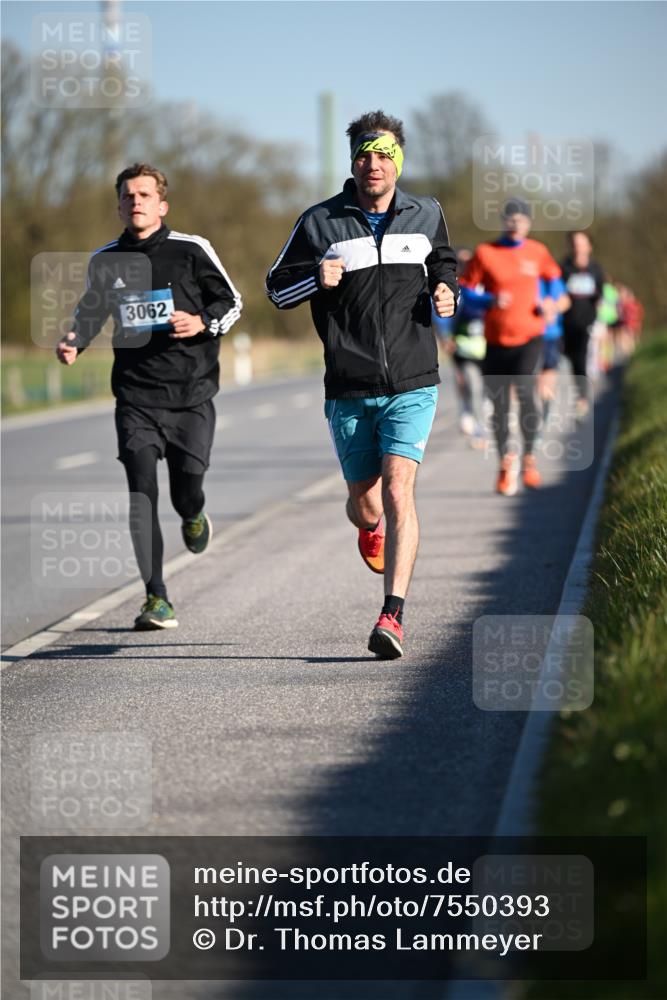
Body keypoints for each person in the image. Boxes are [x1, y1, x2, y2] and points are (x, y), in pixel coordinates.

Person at [265, 111, 457, 659]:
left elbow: (445, 262)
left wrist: (447, 291)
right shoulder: (319, 222)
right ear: (352, 161)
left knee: (399, 490)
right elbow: (276, 289)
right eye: (364, 154)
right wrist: (314, 278)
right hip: (348, 384)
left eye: (384, 154)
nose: (373, 164)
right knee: (367, 503)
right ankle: (367, 528)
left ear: (399, 160)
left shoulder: (427, 213)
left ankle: (391, 615)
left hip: (413, 378)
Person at [56, 163, 242, 630]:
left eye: (144, 194)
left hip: (192, 394)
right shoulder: (105, 259)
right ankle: (156, 597)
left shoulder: (191, 249)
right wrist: (75, 339)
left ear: (162, 204)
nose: (135, 201)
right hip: (136, 396)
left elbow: (232, 302)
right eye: (127, 195)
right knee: (142, 495)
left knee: (185, 491)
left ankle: (195, 514)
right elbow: (92, 309)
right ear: (119, 206)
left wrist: (201, 322)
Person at [460, 198, 561, 495]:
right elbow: (465, 289)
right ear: (503, 222)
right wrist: (489, 300)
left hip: (530, 336)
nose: (516, 224)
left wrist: (550, 300)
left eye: (521, 220)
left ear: (528, 224)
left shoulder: (538, 251)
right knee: (500, 406)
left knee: (527, 393)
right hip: (494, 341)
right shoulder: (486, 252)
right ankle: (506, 462)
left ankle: (529, 457)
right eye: (511, 219)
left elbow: (554, 279)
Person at [435, 247, 488, 448]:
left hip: (487, 346)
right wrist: (446, 336)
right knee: (470, 384)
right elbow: (441, 315)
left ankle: (478, 412)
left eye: (468, 262)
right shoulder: (454, 288)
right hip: (463, 346)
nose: (465, 267)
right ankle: (475, 424)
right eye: (461, 262)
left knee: (485, 387)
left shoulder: (485, 285)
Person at [559, 231, 605, 418]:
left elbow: (600, 298)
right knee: (570, 358)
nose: (578, 247)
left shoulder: (596, 270)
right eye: (575, 243)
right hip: (565, 322)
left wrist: (601, 323)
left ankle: (582, 399)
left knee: (581, 357)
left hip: (587, 322)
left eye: (582, 243)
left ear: (589, 246)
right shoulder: (563, 267)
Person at [537, 274, 570, 433]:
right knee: (532, 376)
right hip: (530, 336)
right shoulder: (525, 275)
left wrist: (553, 309)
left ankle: (546, 407)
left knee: (549, 374)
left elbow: (565, 301)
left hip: (552, 334)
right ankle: (535, 408)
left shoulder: (553, 278)